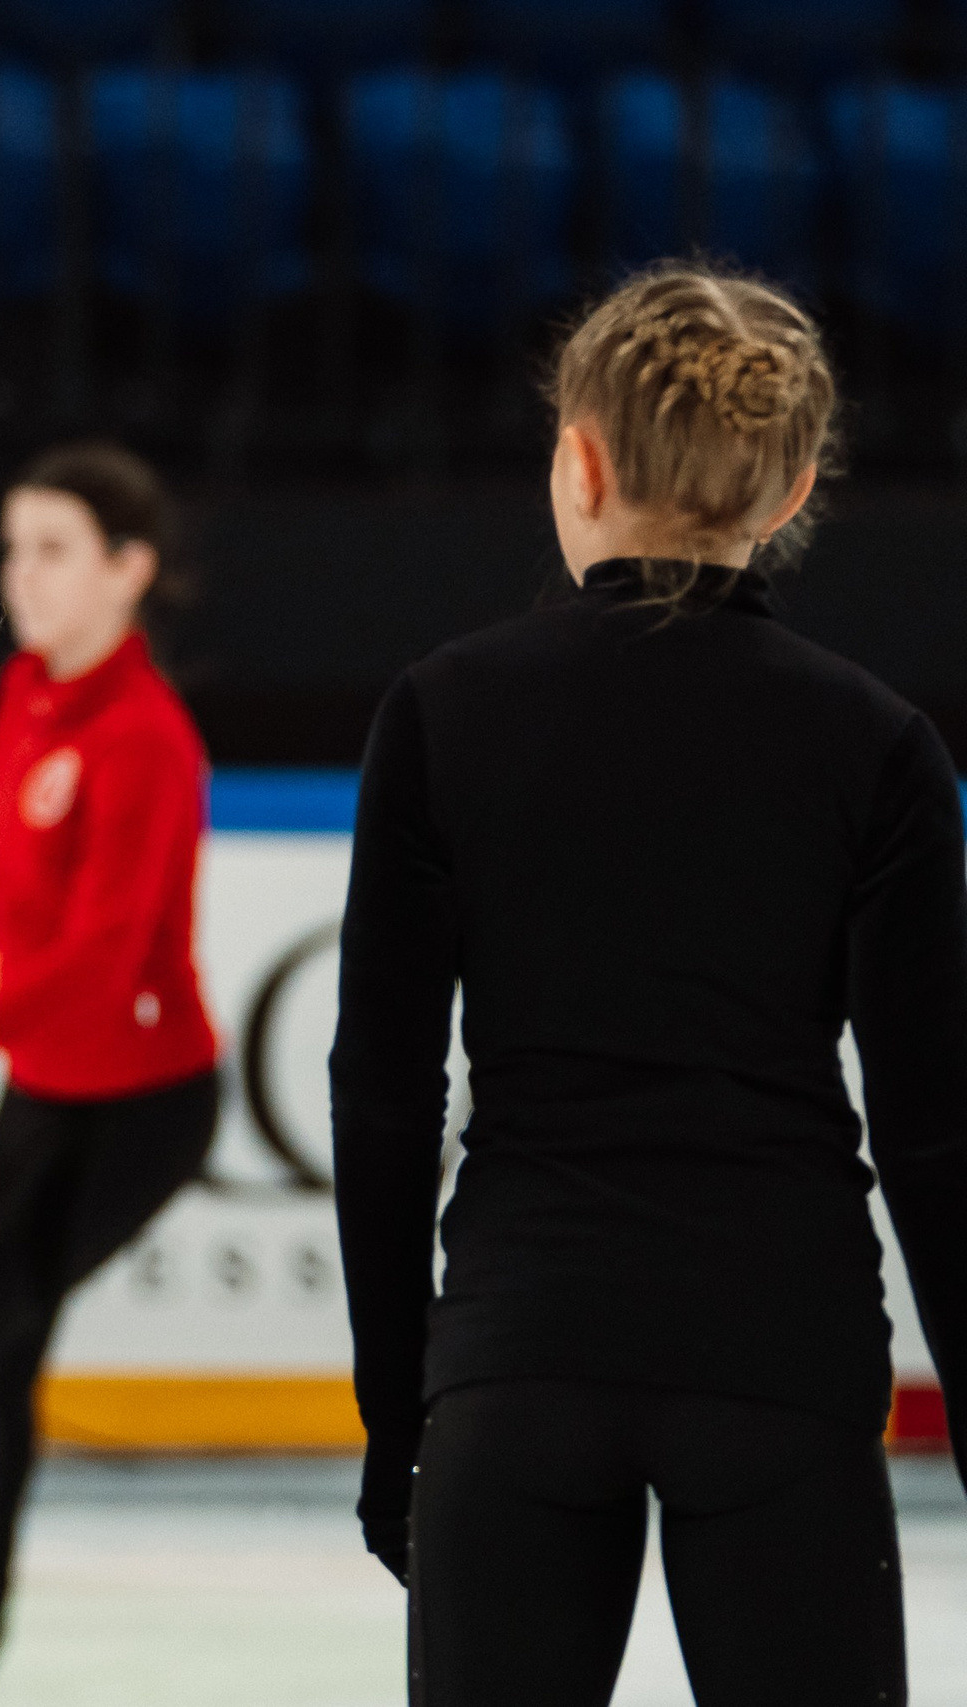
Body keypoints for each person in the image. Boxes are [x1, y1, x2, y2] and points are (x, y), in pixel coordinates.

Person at [332, 262, 967, 1705]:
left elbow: (380, 1093)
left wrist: (394, 1408)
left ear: (581, 457)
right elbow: (937, 1129)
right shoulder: (875, 743)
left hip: (522, 1353)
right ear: (794, 482)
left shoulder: (445, 707)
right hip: (779, 1354)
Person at [0, 441, 220, 1667]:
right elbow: (8, 909)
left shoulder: (146, 740)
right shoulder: (24, 696)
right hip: (50, 1084)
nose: (23, 578)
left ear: (131, 572)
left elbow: (103, 959)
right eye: (14, 549)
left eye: (55, 552)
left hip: (142, 1102)